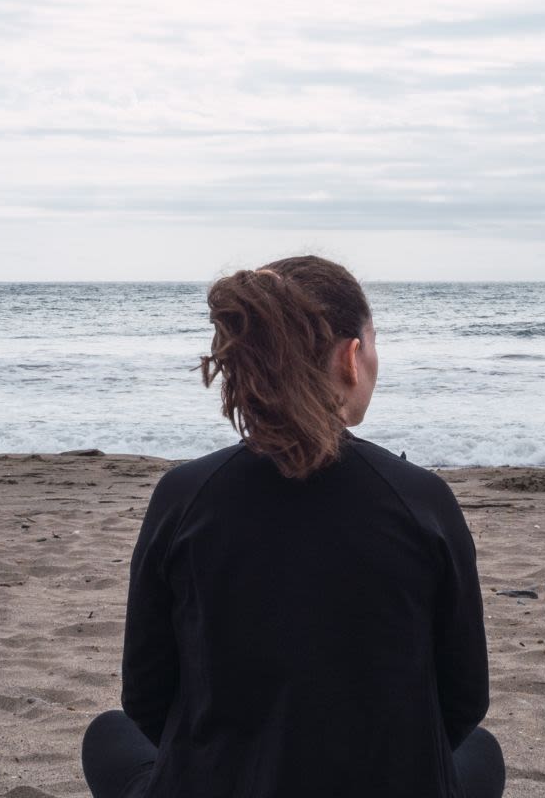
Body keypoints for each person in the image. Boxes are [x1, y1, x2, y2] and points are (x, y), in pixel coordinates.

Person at [81, 256, 505, 798]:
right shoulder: (422, 500)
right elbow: (465, 700)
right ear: (352, 357)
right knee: (480, 750)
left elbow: (144, 698)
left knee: (109, 734)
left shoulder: (183, 497)